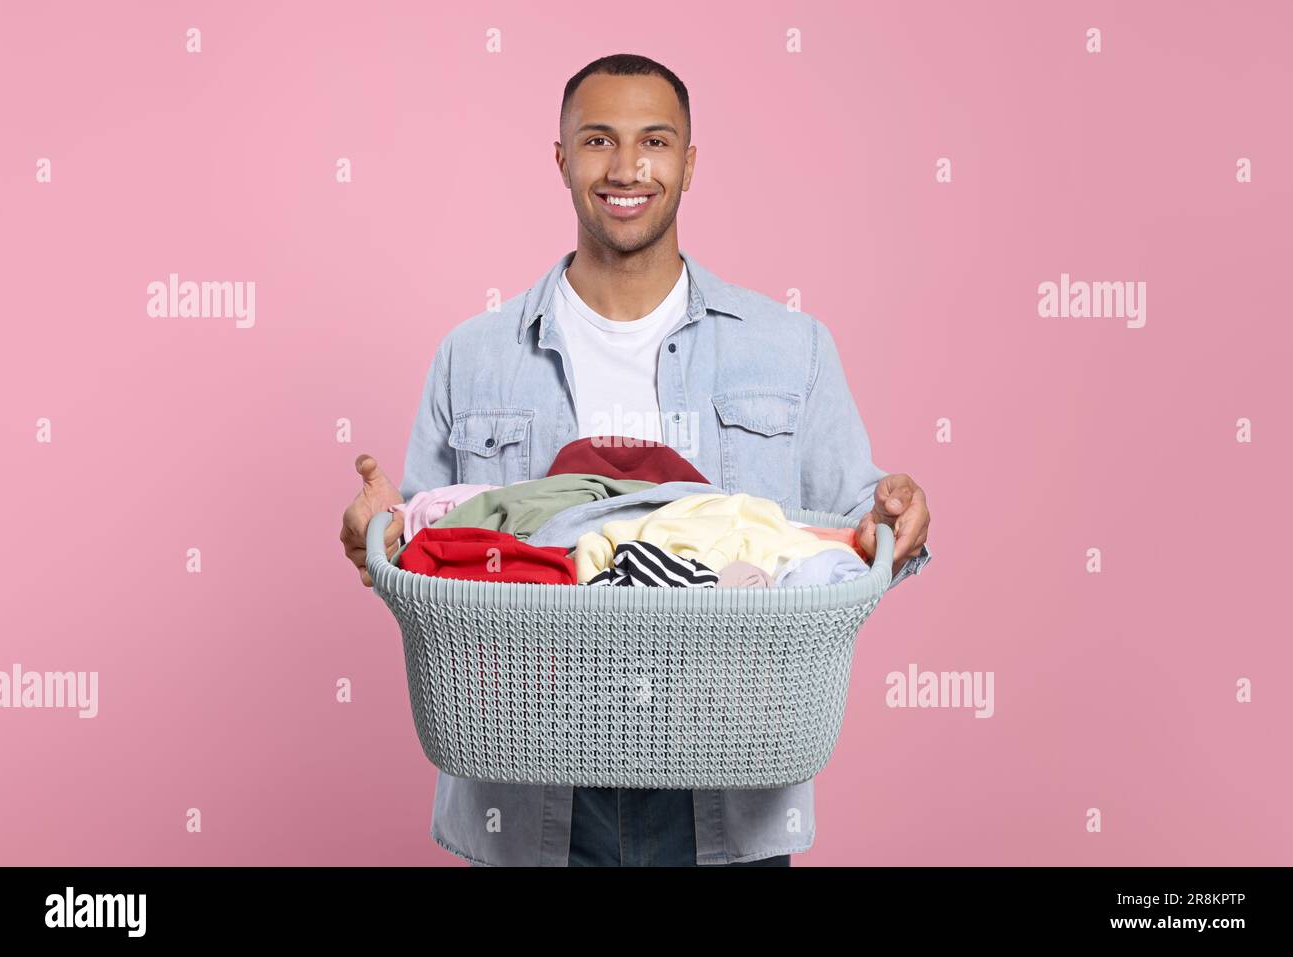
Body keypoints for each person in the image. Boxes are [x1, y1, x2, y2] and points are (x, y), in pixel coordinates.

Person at [340, 53, 932, 867]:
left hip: (728, 789)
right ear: (560, 160)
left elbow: (851, 542)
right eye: (597, 141)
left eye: (654, 141)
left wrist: (896, 519)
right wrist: (375, 539)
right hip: (530, 784)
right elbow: (424, 556)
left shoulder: (792, 349)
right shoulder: (471, 356)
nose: (626, 168)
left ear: (689, 163)